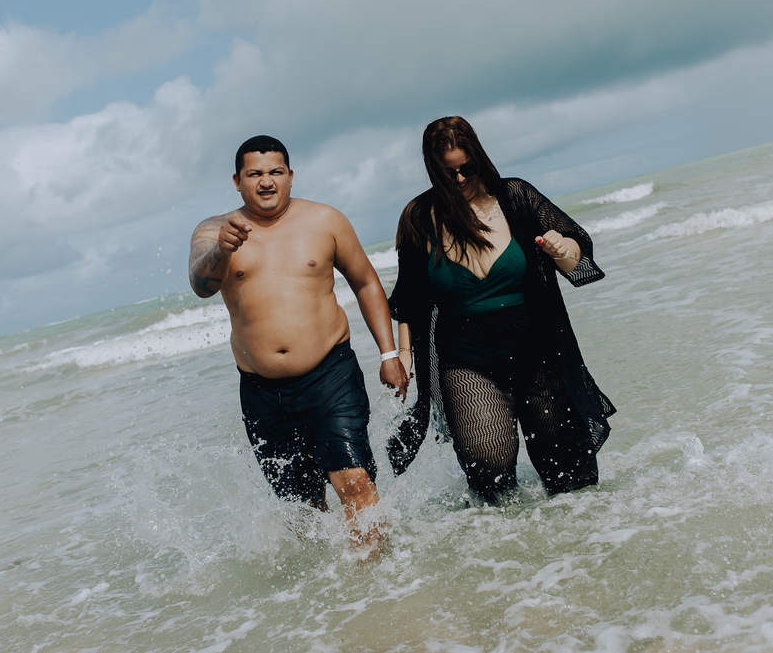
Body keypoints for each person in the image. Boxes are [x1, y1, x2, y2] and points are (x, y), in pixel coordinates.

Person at [188, 135, 408, 552]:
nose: (266, 181)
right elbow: (201, 285)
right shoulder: (215, 230)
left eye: (275, 172)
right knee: (304, 510)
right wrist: (221, 249)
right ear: (237, 181)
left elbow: (365, 281)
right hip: (262, 392)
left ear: (290, 175)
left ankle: (377, 578)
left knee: (355, 482)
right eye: (255, 174)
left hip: (330, 376)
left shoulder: (325, 220)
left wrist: (389, 353)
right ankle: (333, 586)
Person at [386, 116, 615, 501]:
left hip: (537, 348)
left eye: (467, 168)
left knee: (568, 471)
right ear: (433, 170)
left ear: (479, 158)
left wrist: (561, 249)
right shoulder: (419, 218)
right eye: (449, 173)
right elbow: (410, 299)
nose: (460, 179)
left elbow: (575, 250)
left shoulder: (516, 196)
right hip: (466, 355)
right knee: (487, 467)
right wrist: (402, 355)